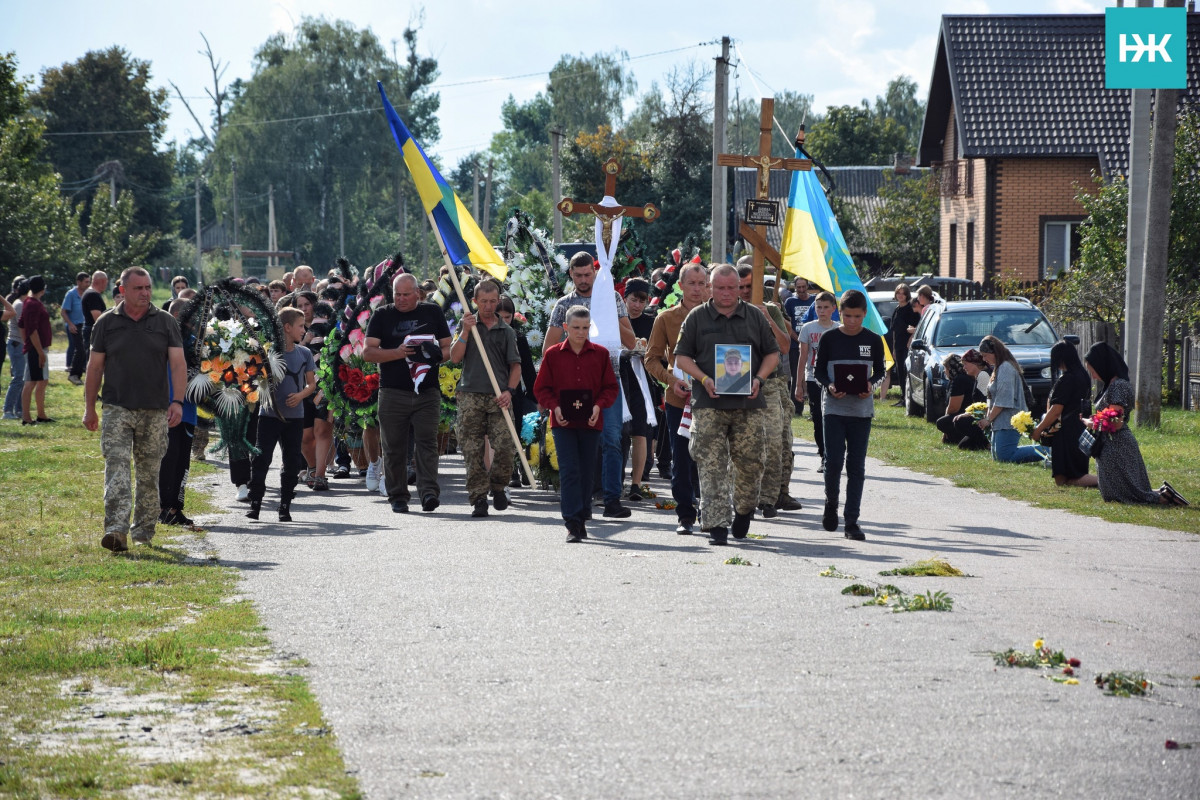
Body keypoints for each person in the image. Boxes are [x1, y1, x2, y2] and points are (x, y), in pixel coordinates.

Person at [674, 264, 780, 545]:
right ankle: (716, 524)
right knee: (711, 464)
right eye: (719, 287)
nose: (725, 293)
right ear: (711, 287)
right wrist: (703, 378)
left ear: (738, 288)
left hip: (748, 405)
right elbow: (682, 357)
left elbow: (773, 355)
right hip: (709, 404)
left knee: (752, 463)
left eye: (731, 287)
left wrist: (759, 378)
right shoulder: (697, 317)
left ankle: (743, 509)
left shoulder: (754, 317)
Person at [84, 267, 186, 551]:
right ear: (123, 290)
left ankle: (143, 529)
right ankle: (116, 529)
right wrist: (89, 408)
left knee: (148, 473)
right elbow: (95, 367)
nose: (145, 293)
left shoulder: (165, 322)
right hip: (117, 406)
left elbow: (178, 365)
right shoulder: (106, 322)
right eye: (138, 288)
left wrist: (177, 401)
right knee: (116, 467)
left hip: (155, 409)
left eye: (148, 288)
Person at [544, 252, 636, 519]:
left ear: (595, 273)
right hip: (573, 386)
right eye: (578, 275)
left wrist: (607, 318)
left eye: (588, 275)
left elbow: (630, 342)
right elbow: (548, 346)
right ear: (570, 274)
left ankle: (611, 500)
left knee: (612, 439)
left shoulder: (613, 299)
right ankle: (581, 502)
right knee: (580, 443)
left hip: (609, 379)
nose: (584, 280)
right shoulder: (563, 304)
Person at [363, 273, 451, 514]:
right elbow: (368, 352)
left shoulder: (432, 312)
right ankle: (398, 496)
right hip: (392, 391)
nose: (400, 299)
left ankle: (429, 493)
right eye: (397, 295)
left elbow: (448, 349)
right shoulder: (382, 315)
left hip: (427, 391)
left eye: (405, 295)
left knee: (427, 444)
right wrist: (399, 352)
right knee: (393, 447)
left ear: (417, 294)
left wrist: (432, 355)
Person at [534, 306, 619, 543]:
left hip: (591, 422)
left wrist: (598, 406)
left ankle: (582, 513)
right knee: (570, 470)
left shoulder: (601, 354)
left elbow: (610, 387)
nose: (581, 333)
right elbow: (541, 388)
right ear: (565, 328)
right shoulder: (553, 354)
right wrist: (555, 407)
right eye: (576, 328)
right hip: (563, 423)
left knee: (587, 470)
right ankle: (573, 522)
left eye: (585, 328)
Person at [814, 289, 886, 540]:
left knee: (856, 467)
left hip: (861, 412)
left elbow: (880, 372)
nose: (852, 321)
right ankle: (830, 503)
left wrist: (871, 386)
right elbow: (819, 371)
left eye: (857, 316)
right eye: (847, 316)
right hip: (833, 410)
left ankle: (852, 521)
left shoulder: (874, 340)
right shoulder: (829, 338)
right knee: (833, 462)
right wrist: (830, 386)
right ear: (839, 313)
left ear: (865, 315)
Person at [450, 279, 523, 517]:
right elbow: (454, 357)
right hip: (470, 395)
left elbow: (515, 367)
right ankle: (478, 498)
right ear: (475, 301)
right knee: (472, 450)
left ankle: (499, 486)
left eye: (493, 301)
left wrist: (509, 392)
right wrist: (465, 331)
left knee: (505, 447)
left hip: (498, 397)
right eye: (484, 301)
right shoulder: (469, 326)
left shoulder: (507, 331)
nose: (489, 306)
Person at [645, 262, 708, 534]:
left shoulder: (720, 316)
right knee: (681, 458)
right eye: (691, 283)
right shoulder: (666, 318)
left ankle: (711, 509)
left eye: (701, 283)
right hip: (678, 400)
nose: (697, 289)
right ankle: (685, 515)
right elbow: (651, 359)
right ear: (680, 286)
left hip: (713, 399)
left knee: (710, 457)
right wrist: (672, 380)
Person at [1083, 343, 1186, 506]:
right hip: (1110, 445)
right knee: (1117, 494)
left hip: (1118, 447)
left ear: (1103, 365)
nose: (1093, 376)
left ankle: (1164, 497)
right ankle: (1164, 495)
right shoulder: (1111, 385)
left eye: (1093, 371)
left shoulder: (1118, 386)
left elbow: (1115, 422)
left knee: (1130, 494)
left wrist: (1090, 422)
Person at [735, 265, 798, 517]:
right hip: (737, 381)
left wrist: (768, 318)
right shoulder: (727, 310)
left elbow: (785, 346)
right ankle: (742, 496)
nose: (745, 292)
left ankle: (770, 499)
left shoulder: (770, 308)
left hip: (769, 383)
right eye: (741, 288)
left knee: (774, 442)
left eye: (750, 286)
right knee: (741, 443)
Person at [246, 307, 316, 522]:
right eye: (300, 326)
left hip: (295, 417)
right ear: (287, 327)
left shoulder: (304, 353)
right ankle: (255, 503)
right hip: (269, 416)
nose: (304, 330)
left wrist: (300, 395)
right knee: (261, 459)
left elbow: (312, 384)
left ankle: (285, 505)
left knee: (292, 461)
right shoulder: (268, 353)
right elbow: (253, 381)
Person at [157, 299, 201, 527]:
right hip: (167, 408)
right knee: (168, 459)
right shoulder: (161, 340)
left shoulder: (195, 343)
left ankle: (176, 508)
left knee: (183, 462)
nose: (194, 323)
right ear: (175, 316)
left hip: (189, 410)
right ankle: (163, 507)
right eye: (190, 318)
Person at [1031, 342, 1098, 488]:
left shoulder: (1067, 379)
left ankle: (1105, 481)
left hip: (1066, 431)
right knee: (1070, 474)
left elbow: (1056, 410)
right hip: (1080, 428)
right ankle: (1104, 481)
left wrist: (1039, 429)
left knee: (1066, 477)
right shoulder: (1083, 376)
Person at [975, 335, 1044, 464]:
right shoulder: (999, 367)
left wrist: (988, 419)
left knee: (1005, 456)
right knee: (998, 457)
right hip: (999, 421)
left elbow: (1003, 400)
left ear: (994, 352)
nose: (984, 359)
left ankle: (1047, 451)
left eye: (985, 355)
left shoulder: (1006, 368)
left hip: (1008, 420)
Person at [619, 277, 658, 501]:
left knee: (640, 431)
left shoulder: (650, 322)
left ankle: (637, 482)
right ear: (625, 298)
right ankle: (618, 479)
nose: (636, 305)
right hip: (620, 376)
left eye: (641, 301)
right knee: (622, 431)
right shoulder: (618, 320)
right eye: (633, 300)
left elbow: (655, 351)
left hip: (642, 381)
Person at [795, 291, 839, 473]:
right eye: (818, 307)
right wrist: (799, 384)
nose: (822, 311)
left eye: (826, 307)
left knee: (833, 418)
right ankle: (823, 455)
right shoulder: (808, 328)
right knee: (818, 419)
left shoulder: (838, 329)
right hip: (813, 378)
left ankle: (835, 454)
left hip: (834, 379)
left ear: (833, 309)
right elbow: (803, 356)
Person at [937, 349, 991, 451]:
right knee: (963, 446)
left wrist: (969, 414)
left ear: (974, 363)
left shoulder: (983, 375)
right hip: (979, 415)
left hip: (985, 418)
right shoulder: (976, 376)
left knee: (956, 421)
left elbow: (986, 402)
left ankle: (987, 442)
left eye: (966, 364)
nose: (964, 367)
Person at [19, 275, 53, 425]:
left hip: (36, 347)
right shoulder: (32, 304)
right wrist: (38, 351)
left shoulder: (30, 302)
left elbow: (21, 325)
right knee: (31, 382)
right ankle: (26, 417)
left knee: (43, 381)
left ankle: (41, 414)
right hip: (35, 349)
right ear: (42, 288)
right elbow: (31, 330)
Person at [886, 284, 921, 405]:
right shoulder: (896, 309)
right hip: (898, 345)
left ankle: (909, 398)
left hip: (908, 345)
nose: (900, 295)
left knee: (907, 371)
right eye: (898, 293)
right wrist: (894, 349)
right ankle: (903, 397)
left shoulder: (911, 309)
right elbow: (894, 330)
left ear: (907, 295)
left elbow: (917, 328)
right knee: (900, 371)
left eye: (903, 293)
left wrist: (911, 339)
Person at [783, 278, 814, 415]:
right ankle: (797, 408)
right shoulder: (790, 302)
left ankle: (814, 407)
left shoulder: (814, 301)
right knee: (797, 375)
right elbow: (787, 324)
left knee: (813, 375)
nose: (801, 290)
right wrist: (800, 340)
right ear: (794, 288)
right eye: (798, 287)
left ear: (807, 286)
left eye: (803, 287)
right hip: (795, 345)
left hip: (813, 343)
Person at [70, 271, 108, 383]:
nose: (106, 285)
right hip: (93, 330)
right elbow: (97, 317)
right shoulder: (93, 295)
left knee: (92, 363)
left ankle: (92, 392)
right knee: (94, 364)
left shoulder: (89, 293)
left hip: (89, 329)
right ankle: (91, 393)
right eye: (106, 282)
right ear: (101, 281)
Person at [3, 277, 28, 421]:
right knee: (18, 378)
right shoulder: (19, 305)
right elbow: (21, 327)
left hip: (20, 343)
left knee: (23, 379)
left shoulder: (23, 303)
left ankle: (19, 410)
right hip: (17, 343)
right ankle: (7, 411)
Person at [61, 271, 90, 385]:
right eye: (86, 282)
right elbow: (63, 312)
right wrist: (70, 324)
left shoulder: (88, 293)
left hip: (85, 325)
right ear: (79, 282)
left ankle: (80, 373)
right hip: (75, 326)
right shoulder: (71, 294)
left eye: (89, 282)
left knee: (86, 350)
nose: (88, 284)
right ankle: (73, 374)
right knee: (80, 349)